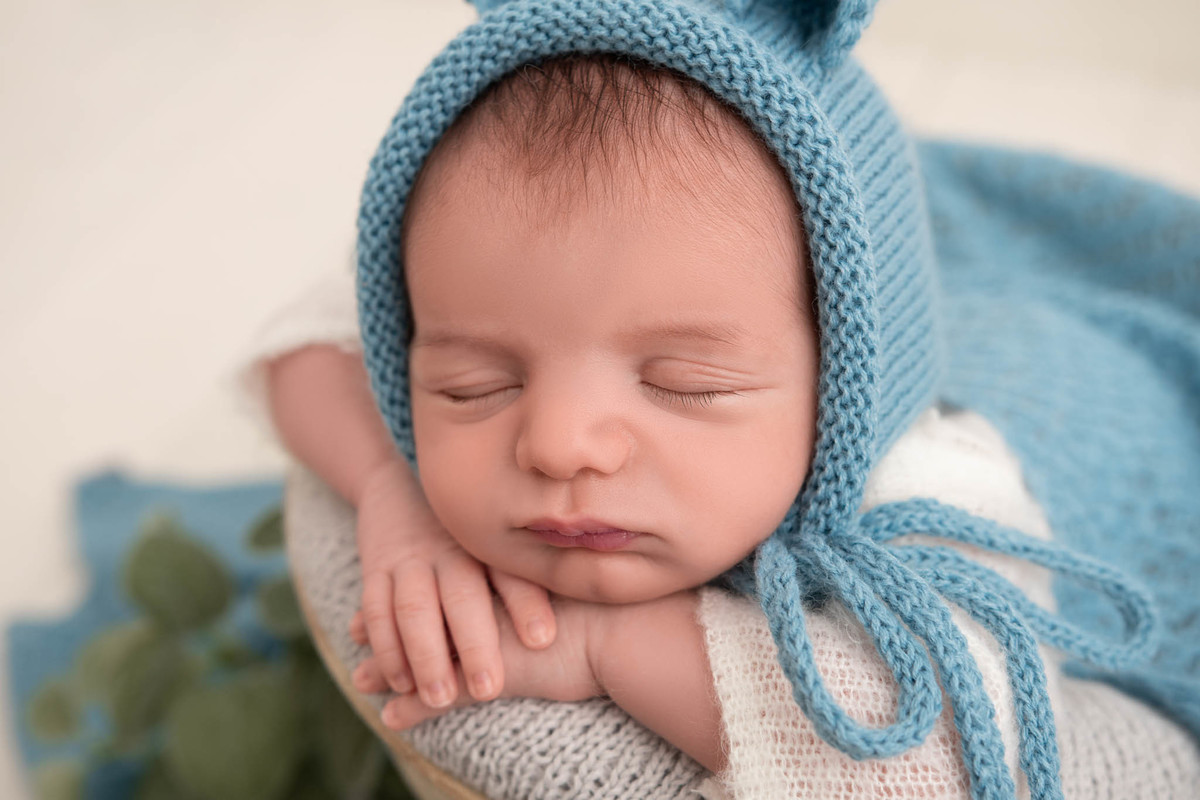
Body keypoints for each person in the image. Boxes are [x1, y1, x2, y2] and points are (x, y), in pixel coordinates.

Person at [245, 0, 1200, 797]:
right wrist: (390, 494)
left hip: (1080, 401)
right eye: (476, 384)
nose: (561, 443)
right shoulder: (509, 291)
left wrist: (606, 645)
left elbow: (941, 763)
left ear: (844, 391)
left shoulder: (934, 489)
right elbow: (307, 332)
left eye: (684, 385)